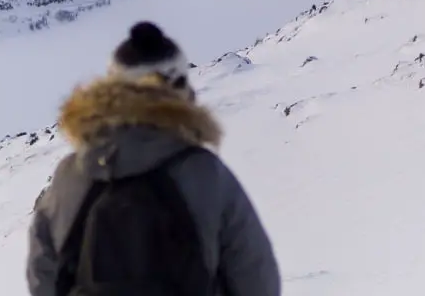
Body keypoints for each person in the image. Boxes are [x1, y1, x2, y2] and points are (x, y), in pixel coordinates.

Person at [26, 21, 281, 296]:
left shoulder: (71, 175)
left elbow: (43, 274)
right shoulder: (205, 173)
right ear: (180, 88)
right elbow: (256, 277)